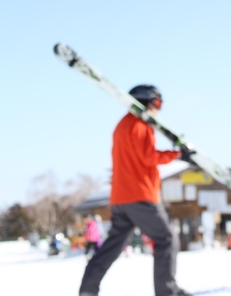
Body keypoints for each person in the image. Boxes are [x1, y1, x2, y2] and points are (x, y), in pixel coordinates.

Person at [79, 84, 193, 296]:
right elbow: (149, 157)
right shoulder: (140, 126)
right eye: (157, 103)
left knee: (112, 247)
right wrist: (176, 155)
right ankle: (167, 292)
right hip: (140, 196)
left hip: (121, 198)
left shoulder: (122, 125)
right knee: (167, 239)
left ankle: (88, 290)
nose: (158, 109)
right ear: (146, 101)